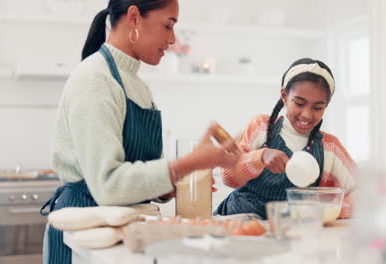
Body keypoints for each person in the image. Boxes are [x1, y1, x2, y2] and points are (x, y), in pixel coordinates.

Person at [40, 1, 240, 263]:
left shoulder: (137, 86)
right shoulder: (94, 79)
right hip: (86, 236)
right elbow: (109, 185)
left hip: (123, 236)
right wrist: (190, 163)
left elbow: (138, 173)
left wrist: (170, 187)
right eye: (168, 26)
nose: (172, 40)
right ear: (134, 17)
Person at [215, 58, 357, 220]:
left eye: (317, 107)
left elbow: (365, 196)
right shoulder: (260, 126)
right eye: (299, 103)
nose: (307, 114)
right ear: (284, 95)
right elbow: (228, 176)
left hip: (289, 234)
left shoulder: (330, 148)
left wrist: (321, 209)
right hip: (238, 225)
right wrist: (260, 157)